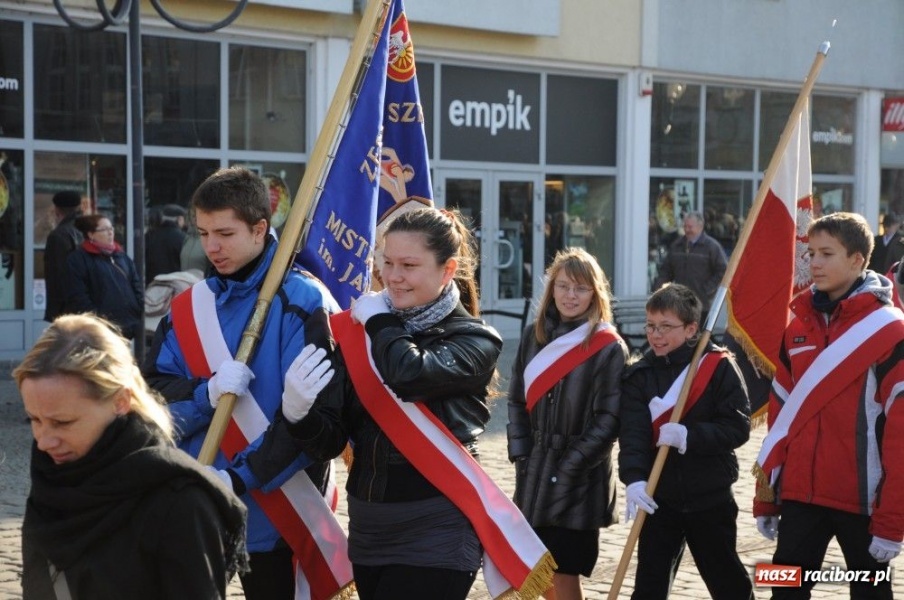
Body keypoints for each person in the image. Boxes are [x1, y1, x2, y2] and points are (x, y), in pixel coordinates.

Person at [248, 207, 555, 600]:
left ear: (448, 270)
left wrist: (378, 322)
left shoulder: (476, 338)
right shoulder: (357, 335)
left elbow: (409, 375)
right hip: (369, 526)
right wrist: (299, 414)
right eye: (388, 262)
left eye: (409, 265)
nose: (393, 277)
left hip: (437, 526)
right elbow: (329, 442)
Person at [141, 166, 343, 600]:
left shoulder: (305, 301)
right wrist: (204, 395)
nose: (211, 247)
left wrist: (236, 479)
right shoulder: (188, 307)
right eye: (203, 232)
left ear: (259, 228)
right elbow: (152, 397)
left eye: (225, 233)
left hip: (277, 511)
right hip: (195, 502)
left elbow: (314, 425)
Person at [15, 313, 248, 600]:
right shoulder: (52, 478)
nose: (44, 441)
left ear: (120, 401)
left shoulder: (179, 502)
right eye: (34, 420)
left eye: (62, 423)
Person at [753, 212, 904, 600]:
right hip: (800, 496)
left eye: (826, 253)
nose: (814, 263)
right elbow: (780, 419)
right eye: (811, 253)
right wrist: (766, 498)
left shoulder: (890, 331)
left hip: (863, 501)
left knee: (870, 592)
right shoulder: (797, 325)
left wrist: (892, 522)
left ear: (857, 260)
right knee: (783, 589)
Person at [619, 283, 753, 600]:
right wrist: (635, 479)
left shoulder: (717, 366)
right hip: (659, 497)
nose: (656, 335)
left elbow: (737, 427)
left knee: (728, 583)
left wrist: (691, 436)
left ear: (691, 328)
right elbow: (633, 436)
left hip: (710, 495)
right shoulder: (639, 375)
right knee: (649, 587)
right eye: (651, 326)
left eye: (666, 327)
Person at [506, 247, 627, 600]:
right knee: (536, 571)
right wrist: (522, 456)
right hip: (534, 473)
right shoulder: (534, 335)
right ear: (551, 289)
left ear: (595, 293)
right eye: (563, 286)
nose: (570, 296)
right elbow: (515, 400)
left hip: (581, 479)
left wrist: (570, 467)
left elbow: (609, 420)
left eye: (580, 288)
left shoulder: (607, 347)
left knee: (563, 574)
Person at [65, 214, 144, 340]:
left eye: (111, 228)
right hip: (101, 330)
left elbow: (136, 284)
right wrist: (98, 320)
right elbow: (78, 296)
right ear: (91, 235)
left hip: (129, 324)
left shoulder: (120, 255)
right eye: (104, 229)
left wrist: (138, 308)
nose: (110, 232)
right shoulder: (79, 259)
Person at [654, 211, 728, 325]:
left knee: (699, 337)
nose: (687, 230)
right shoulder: (677, 246)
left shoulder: (712, 247)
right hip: (680, 303)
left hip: (702, 303)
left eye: (690, 227)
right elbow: (666, 271)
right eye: (685, 226)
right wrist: (659, 289)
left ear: (700, 227)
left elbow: (723, 271)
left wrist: (707, 289)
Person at [43, 190, 83, 322]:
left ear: (57, 211)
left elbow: (59, 276)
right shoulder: (87, 230)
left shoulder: (58, 235)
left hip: (66, 309)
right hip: (85, 305)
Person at [145, 203, 187, 283]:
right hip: (175, 284)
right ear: (179, 219)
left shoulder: (149, 236)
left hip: (153, 285)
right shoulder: (182, 238)